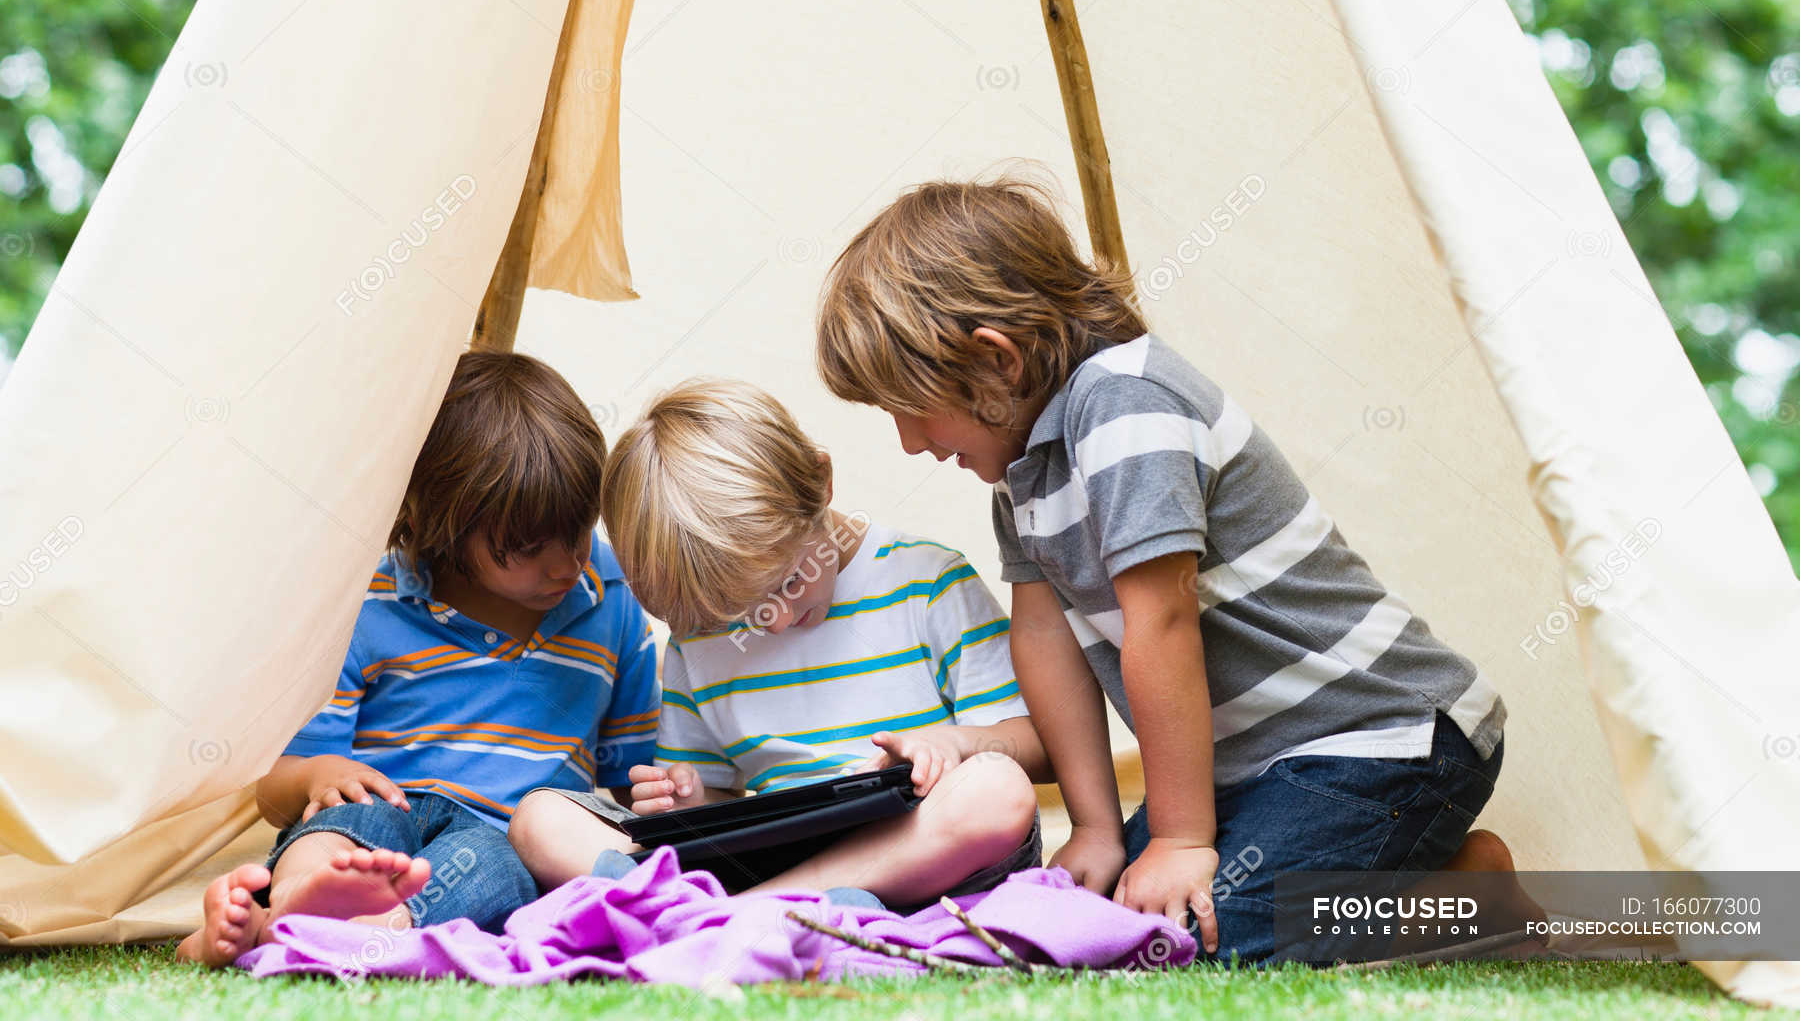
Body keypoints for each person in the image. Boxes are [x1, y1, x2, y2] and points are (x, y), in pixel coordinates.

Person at [814, 174, 1516, 961]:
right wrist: (1097, 828)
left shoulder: (1126, 403)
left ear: (996, 361)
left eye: (909, 406)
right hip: (1251, 772)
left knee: (1189, 941)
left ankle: (1466, 901)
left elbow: (1162, 621)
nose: (911, 441)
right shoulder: (1023, 477)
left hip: (1381, 736)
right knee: (1107, 928)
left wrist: (1180, 837)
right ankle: (1449, 882)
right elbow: (1046, 644)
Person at [177, 351, 658, 966]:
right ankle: (292, 904)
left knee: (499, 868)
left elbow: (627, 783)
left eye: (580, 530)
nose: (565, 565)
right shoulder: (365, 605)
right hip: (387, 807)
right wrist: (318, 777)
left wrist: (660, 794)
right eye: (530, 548)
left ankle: (363, 930)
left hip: (507, 833)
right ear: (445, 524)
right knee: (353, 828)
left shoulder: (612, 599)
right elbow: (277, 790)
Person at [507, 379, 1048, 909]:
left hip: (918, 850)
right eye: (741, 612)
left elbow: (1035, 746)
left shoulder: (928, 582)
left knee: (997, 790)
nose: (779, 619)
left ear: (822, 480)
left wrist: (954, 745)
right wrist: (689, 800)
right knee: (540, 819)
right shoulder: (700, 634)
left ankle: (728, 914)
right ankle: (766, 907)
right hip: (773, 858)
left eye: (791, 581)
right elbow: (716, 798)